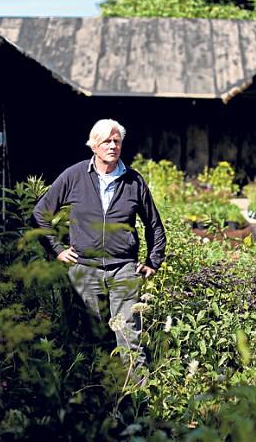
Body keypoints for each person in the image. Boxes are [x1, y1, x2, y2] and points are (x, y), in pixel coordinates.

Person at [33, 118, 166, 369]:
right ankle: (96, 393)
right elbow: (40, 213)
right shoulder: (74, 176)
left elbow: (154, 225)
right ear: (93, 145)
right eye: (106, 141)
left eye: (117, 141)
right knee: (90, 334)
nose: (113, 146)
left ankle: (139, 397)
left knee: (129, 335)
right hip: (84, 268)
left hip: (124, 268)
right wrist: (57, 250)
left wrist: (153, 261)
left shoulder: (133, 181)